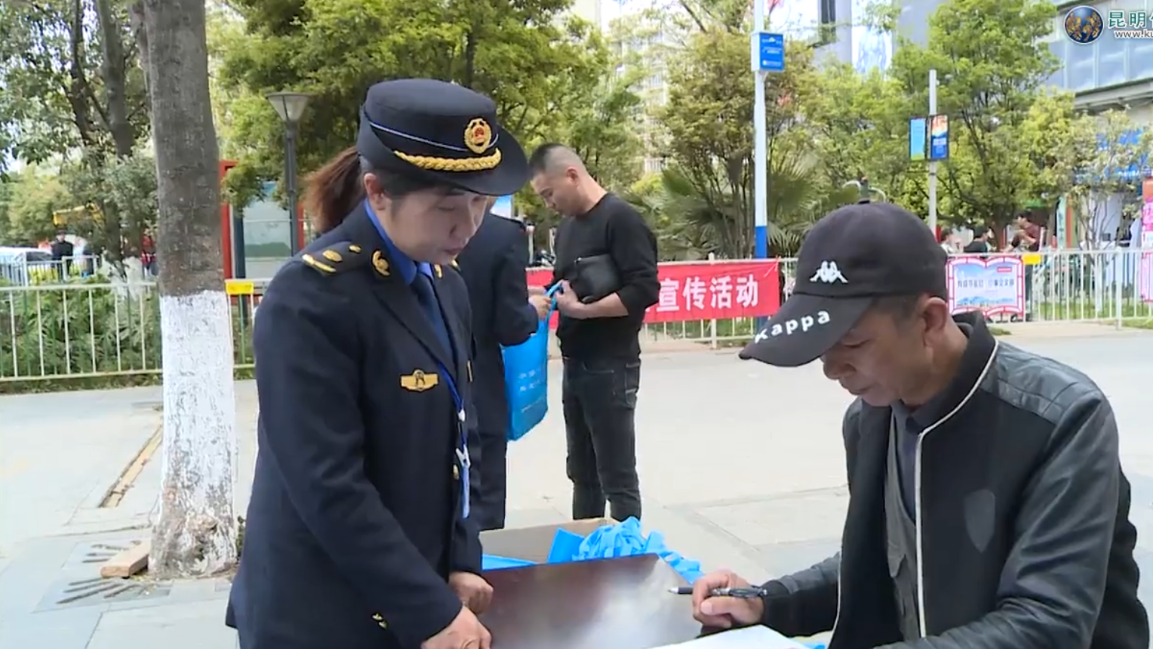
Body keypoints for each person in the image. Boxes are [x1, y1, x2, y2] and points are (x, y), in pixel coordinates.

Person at [691, 202, 1147, 649]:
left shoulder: (1060, 420)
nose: (832, 369)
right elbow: (881, 561)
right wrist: (768, 602)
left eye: (852, 342)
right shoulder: (870, 419)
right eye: (823, 347)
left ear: (929, 320)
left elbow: (1048, 624)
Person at [226, 79, 532, 649]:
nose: (467, 227)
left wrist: (462, 556)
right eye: (447, 207)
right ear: (378, 191)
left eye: (480, 204)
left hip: (414, 594)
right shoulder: (311, 298)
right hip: (323, 614)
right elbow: (328, 483)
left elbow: (460, 435)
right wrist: (428, 610)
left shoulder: (444, 282)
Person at [527, 143, 659, 523]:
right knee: (582, 473)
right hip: (575, 362)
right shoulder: (569, 228)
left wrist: (584, 311)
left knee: (616, 476)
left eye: (549, 193)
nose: (549, 204)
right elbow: (564, 281)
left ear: (572, 175)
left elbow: (644, 289)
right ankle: (586, 548)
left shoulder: (621, 220)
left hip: (611, 364)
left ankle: (626, 553)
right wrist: (541, 295)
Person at [454, 201, 550, 531]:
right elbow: (510, 326)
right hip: (479, 386)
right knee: (485, 499)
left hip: (418, 386)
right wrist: (531, 311)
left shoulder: (408, 228)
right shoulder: (501, 235)